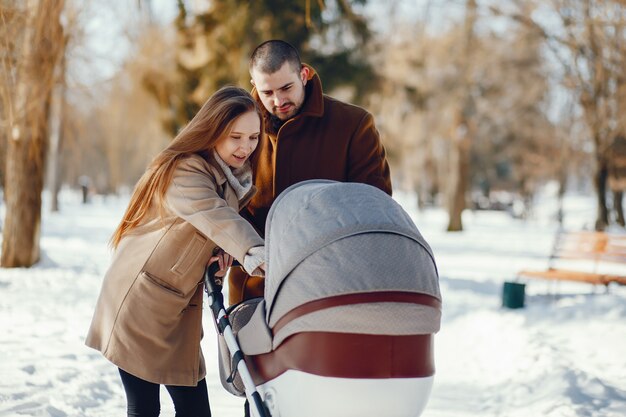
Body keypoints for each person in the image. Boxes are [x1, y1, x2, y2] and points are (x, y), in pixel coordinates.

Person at [85, 86, 267, 417]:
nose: (246, 147)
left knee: (194, 410)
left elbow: (207, 231)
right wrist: (255, 251)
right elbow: (215, 215)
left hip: (177, 311)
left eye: (253, 138)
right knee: (144, 409)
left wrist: (219, 254)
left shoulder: (230, 177)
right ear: (213, 132)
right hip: (141, 306)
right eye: (235, 137)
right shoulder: (186, 170)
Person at [228, 39, 393, 305]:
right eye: (267, 92)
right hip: (256, 288)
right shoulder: (239, 130)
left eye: (286, 88)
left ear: (303, 75)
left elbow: (373, 207)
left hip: (331, 288)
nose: (278, 101)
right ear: (253, 86)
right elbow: (224, 202)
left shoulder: (353, 125)